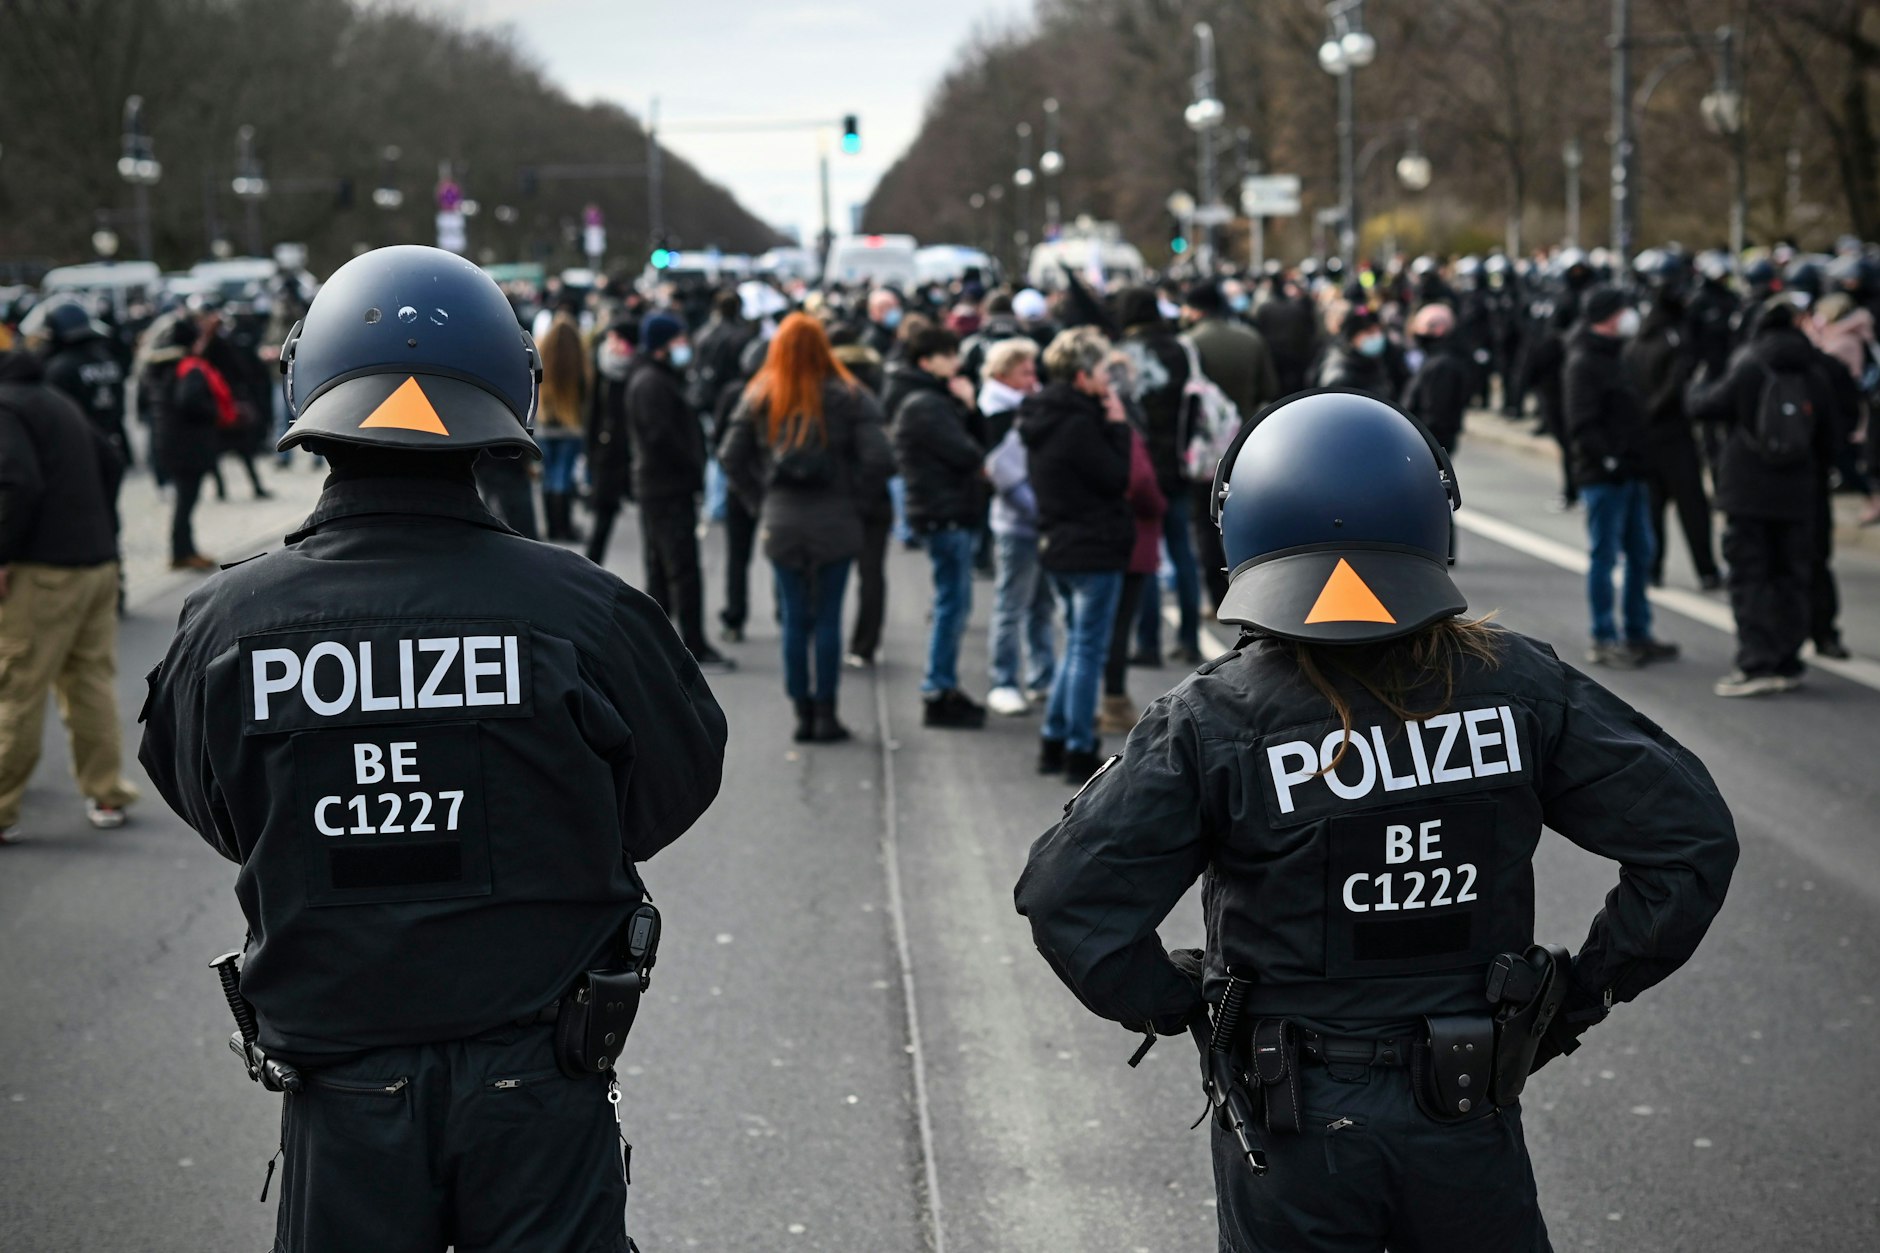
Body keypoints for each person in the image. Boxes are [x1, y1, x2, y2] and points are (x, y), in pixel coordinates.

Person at [1015, 390, 1739, 1253]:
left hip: (1292, 1124)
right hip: (1468, 1107)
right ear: (1435, 516)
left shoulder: (1212, 718)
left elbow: (1067, 896)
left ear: (1241, 527)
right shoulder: (1520, 684)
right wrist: (1576, 997)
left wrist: (1183, 1001)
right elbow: (1690, 842)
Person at [138, 246, 728, 1252]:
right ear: (511, 397)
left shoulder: (225, 626)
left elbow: (215, 799)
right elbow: (670, 785)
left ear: (308, 386)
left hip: (344, 1084)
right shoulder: (585, 613)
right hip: (538, 1079)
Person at [720, 313, 893, 743]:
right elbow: (880, 460)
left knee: (795, 618)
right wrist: (857, 500)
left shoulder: (760, 394)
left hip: (781, 518)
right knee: (829, 617)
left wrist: (759, 500)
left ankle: (801, 712)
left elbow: (730, 455)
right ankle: (826, 712)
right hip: (836, 517)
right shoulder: (852, 396)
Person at [0, 348, 138, 841]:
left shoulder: (7, 407)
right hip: (96, 563)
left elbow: (16, 482)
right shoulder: (56, 400)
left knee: (18, 685)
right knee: (89, 683)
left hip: (43, 572)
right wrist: (93, 520)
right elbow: (111, 458)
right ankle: (106, 792)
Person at [1687, 299, 1843, 696]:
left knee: (1750, 578)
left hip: (1747, 491)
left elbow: (1705, 407)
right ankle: (1788, 662)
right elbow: (1833, 438)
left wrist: (1699, 384)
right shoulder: (1816, 369)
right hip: (1798, 494)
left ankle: (1757, 663)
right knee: (1792, 577)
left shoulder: (1749, 365)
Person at [1018, 327, 1133, 784]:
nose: (1110, 380)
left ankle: (1054, 736)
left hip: (1057, 542)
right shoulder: (1082, 423)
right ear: (1083, 375)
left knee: (1075, 645)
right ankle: (1079, 747)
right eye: (1104, 371)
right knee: (1087, 648)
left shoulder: (1042, 414)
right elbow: (1114, 478)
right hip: (1093, 544)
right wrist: (1119, 427)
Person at [1563, 286, 1678, 668]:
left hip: (1632, 473)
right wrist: (1610, 461)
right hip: (1605, 477)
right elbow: (1581, 423)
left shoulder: (1618, 356)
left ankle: (1637, 632)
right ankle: (1603, 637)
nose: (1631, 315)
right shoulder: (1584, 361)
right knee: (1605, 555)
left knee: (1641, 553)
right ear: (1609, 316)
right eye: (1623, 309)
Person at [888, 325, 988, 728]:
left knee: (953, 602)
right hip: (944, 512)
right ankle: (937, 687)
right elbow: (969, 453)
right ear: (927, 361)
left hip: (941, 510)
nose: (958, 363)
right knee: (952, 605)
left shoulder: (924, 398)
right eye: (949, 355)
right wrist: (970, 405)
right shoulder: (927, 403)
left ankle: (942, 684)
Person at [627, 312, 735, 674]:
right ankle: (692, 643)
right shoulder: (653, 383)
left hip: (660, 487)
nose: (684, 346)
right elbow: (661, 438)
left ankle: (657, 644)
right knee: (680, 567)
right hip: (667, 488)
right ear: (662, 345)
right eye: (678, 340)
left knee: (662, 567)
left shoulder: (653, 378)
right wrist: (692, 465)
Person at [1114, 287, 1203, 667]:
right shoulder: (1183, 348)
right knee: (1183, 551)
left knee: (1146, 554)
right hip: (1179, 461)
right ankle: (1189, 638)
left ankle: (1147, 642)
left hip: (1141, 463)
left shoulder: (1121, 354)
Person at [1623, 287, 1722, 591]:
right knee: (1692, 507)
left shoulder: (1635, 343)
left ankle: (1653, 569)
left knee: (1653, 508)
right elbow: (1678, 384)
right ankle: (1707, 571)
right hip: (1673, 434)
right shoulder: (1675, 340)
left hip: (1644, 434)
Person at [981, 338, 1053, 716]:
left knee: (1041, 604)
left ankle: (1043, 677)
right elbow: (1005, 474)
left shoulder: (1028, 407)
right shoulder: (1000, 414)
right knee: (1013, 604)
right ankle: (1004, 680)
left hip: (1037, 520)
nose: (1032, 378)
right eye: (1024, 371)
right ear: (1003, 374)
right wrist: (1042, 511)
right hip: (1019, 524)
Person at [1098, 376, 1167, 737]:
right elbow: (1143, 485)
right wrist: (1160, 507)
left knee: (1093, 628)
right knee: (1118, 626)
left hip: (1093, 541)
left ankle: (1101, 700)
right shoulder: (1124, 437)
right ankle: (1113, 699)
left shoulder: (1086, 434)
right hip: (1131, 541)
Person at [535, 302, 590, 541]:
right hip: (570, 427)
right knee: (563, 479)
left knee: (548, 479)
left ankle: (551, 527)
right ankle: (563, 527)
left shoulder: (543, 353)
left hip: (545, 427)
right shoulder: (579, 359)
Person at [585, 315, 637, 564]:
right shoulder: (603, 367)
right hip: (608, 450)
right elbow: (593, 412)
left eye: (616, 339)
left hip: (633, 452)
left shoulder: (639, 372)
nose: (611, 345)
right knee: (602, 518)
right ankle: (592, 568)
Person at [1400, 303, 1472, 454]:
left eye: (1422, 326)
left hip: (1431, 445)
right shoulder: (1436, 357)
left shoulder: (1442, 365)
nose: (1418, 332)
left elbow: (1435, 415)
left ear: (1439, 329)